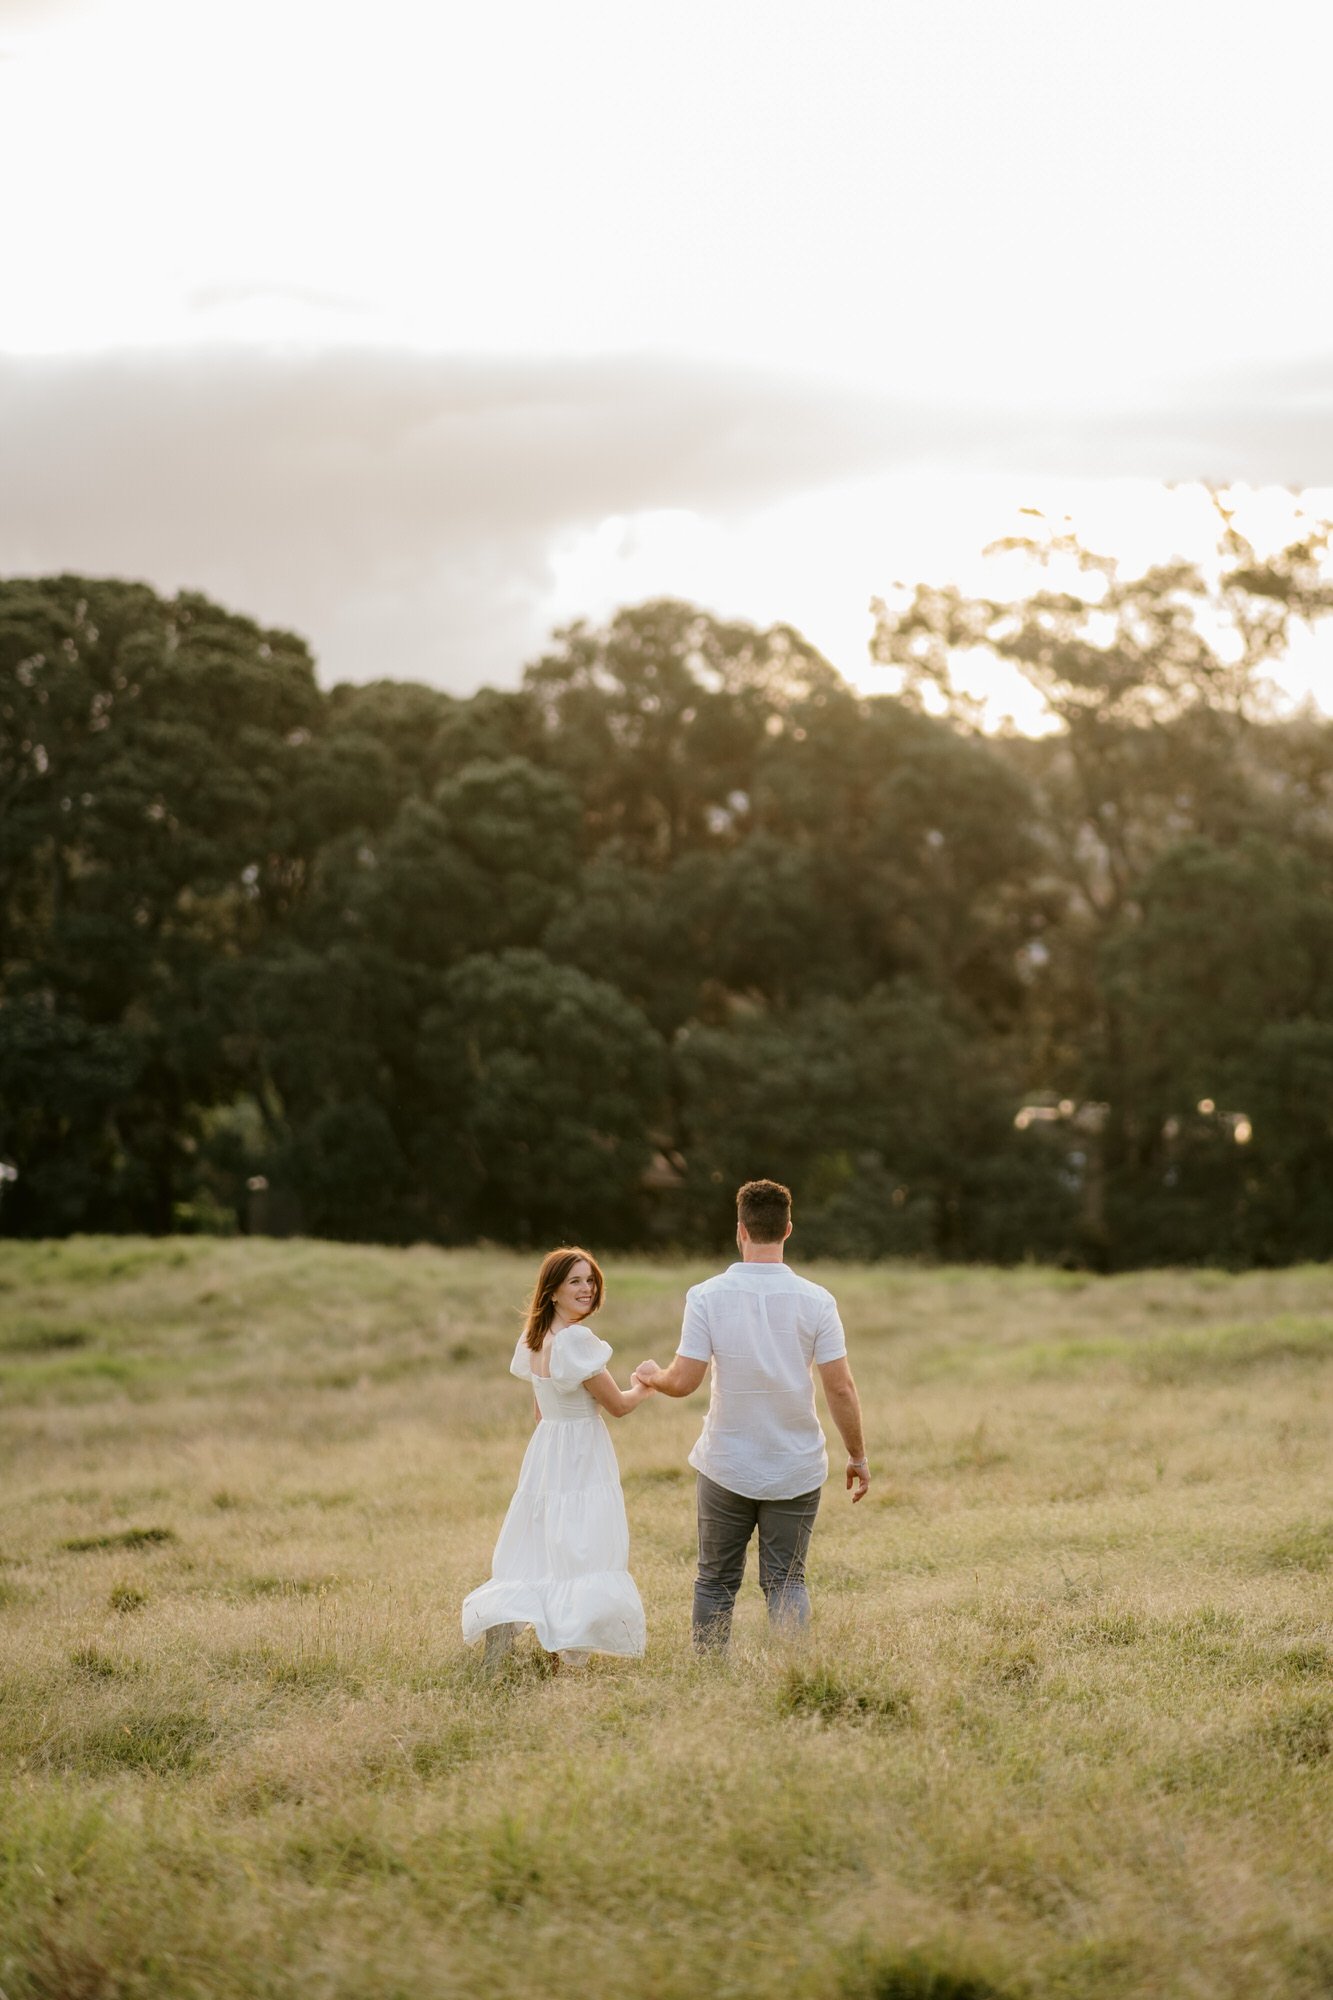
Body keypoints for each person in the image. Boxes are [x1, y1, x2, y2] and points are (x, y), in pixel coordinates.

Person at [632, 1178, 868, 1651]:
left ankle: (708, 1683)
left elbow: (684, 1381)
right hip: (796, 1464)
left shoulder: (706, 1296)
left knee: (715, 1581)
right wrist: (857, 1456)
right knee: (787, 1581)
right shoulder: (818, 1300)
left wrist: (653, 1375)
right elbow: (839, 1386)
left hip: (726, 1463)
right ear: (787, 1230)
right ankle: (792, 1677)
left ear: (740, 1230)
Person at [462, 1246, 653, 1670]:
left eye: (590, 1280)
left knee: (543, 1548)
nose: (587, 1289)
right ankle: (570, 1657)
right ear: (552, 1291)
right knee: (583, 1550)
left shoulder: (535, 1339)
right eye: (575, 1282)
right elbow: (619, 1406)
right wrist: (646, 1381)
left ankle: (515, 1628)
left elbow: (539, 1410)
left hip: (548, 1451)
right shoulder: (575, 1341)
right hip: (581, 1453)